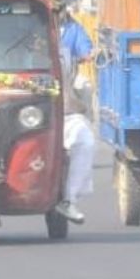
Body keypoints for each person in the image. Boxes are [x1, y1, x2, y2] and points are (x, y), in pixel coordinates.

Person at [55, 39, 96, 225]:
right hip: (25, 112)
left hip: (63, 114)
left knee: (86, 141)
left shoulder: (64, 51)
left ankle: (69, 200)